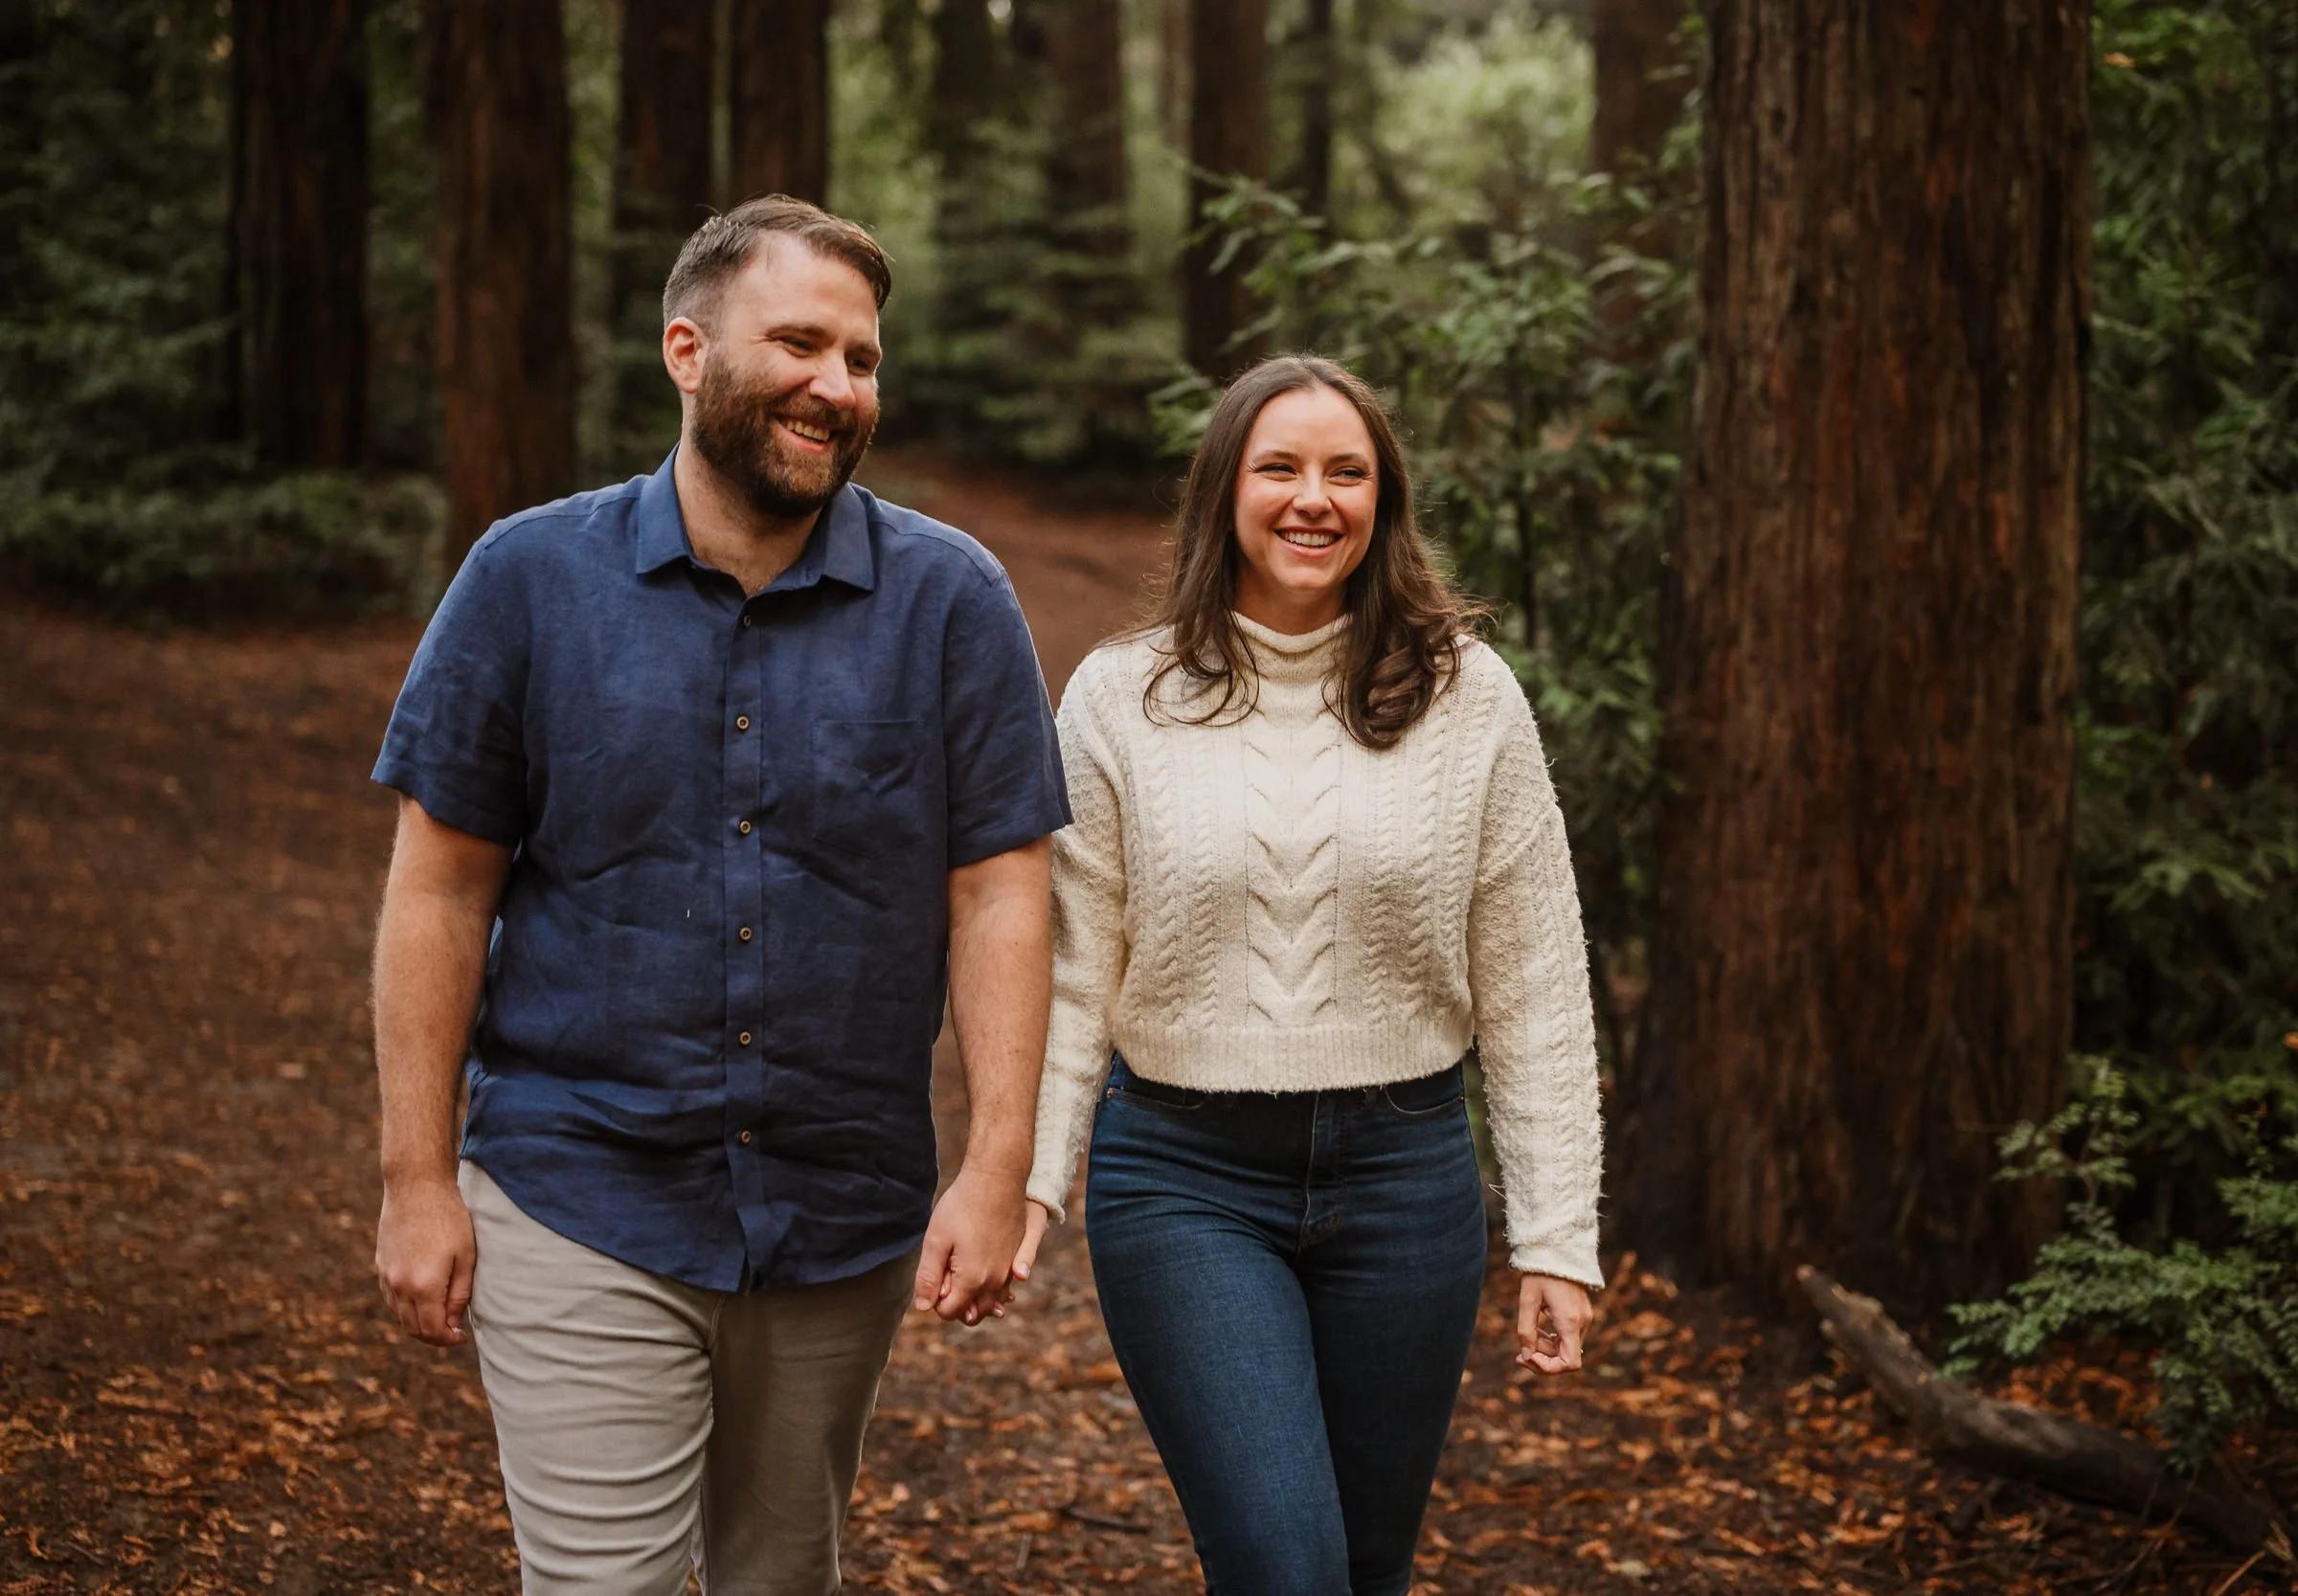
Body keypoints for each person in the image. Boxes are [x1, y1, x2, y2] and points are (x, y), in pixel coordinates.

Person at [369, 196, 1069, 1596]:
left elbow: (999, 895)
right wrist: (414, 1175)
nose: (837, 385)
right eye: (800, 343)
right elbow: (441, 891)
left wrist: (998, 1167)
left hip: (842, 1213)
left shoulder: (953, 602)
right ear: (688, 351)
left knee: (777, 1577)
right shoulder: (527, 577)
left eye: (862, 359)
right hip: (581, 1182)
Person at [1015, 354, 1608, 1594]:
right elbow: (1076, 970)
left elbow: (1535, 979)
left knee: (1369, 1567)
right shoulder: (1125, 699)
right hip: (1183, 1177)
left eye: (1348, 471)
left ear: (1384, 501)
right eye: (1278, 466)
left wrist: (1556, 1236)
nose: (1313, 497)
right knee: (1288, 1564)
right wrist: (1028, 1179)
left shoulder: (1468, 697)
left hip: (1408, 1178)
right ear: (1224, 490)